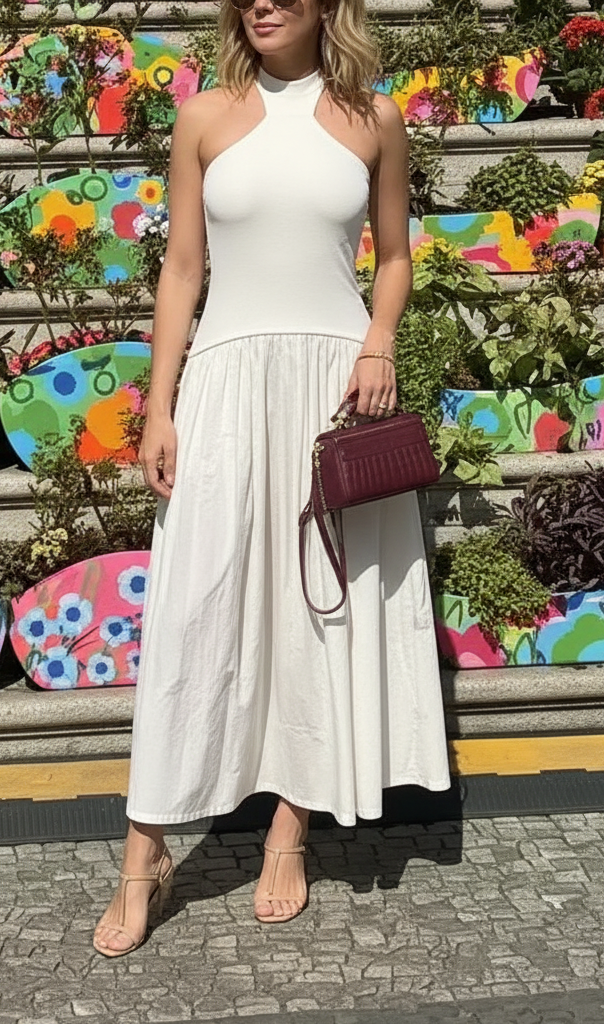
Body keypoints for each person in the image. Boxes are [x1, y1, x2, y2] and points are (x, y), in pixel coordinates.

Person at [92, 0, 452, 958]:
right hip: (224, 377)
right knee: (193, 605)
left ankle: (290, 828)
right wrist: (160, 405)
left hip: (334, 380)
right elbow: (180, 267)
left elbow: (396, 255)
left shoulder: (374, 119)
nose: (263, 2)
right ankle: (145, 850)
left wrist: (380, 345)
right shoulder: (204, 115)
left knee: (316, 607)